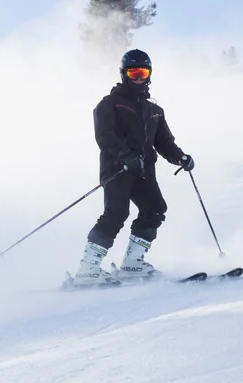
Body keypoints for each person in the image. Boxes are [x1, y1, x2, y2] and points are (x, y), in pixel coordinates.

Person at [71, 49, 195, 286]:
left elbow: (165, 143)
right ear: (124, 74)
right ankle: (88, 269)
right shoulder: (110, 104)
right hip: (118, 167)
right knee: (116, 213)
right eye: (133, 71)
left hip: (144, 170)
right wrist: (125, 156)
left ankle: (132, 264)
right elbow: (104, 136)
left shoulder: (154, 111)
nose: (138, 77)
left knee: (156, 209)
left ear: (149, 75)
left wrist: (180, 158)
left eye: (143, 72)